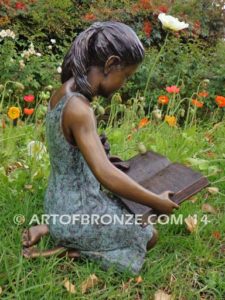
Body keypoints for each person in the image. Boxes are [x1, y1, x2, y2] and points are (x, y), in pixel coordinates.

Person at [22, 21, 179, 275]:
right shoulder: (80, 109)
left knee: (125, 210)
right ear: (110, 64)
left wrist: (101, 154)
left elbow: (69, 152)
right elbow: (104, 174)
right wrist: (157, 202)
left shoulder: (62, 93)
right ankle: (72, 249)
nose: (124, 84)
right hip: (78, 214)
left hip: (59, 204)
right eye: (125, 76)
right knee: (148, 235)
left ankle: (52, 228)